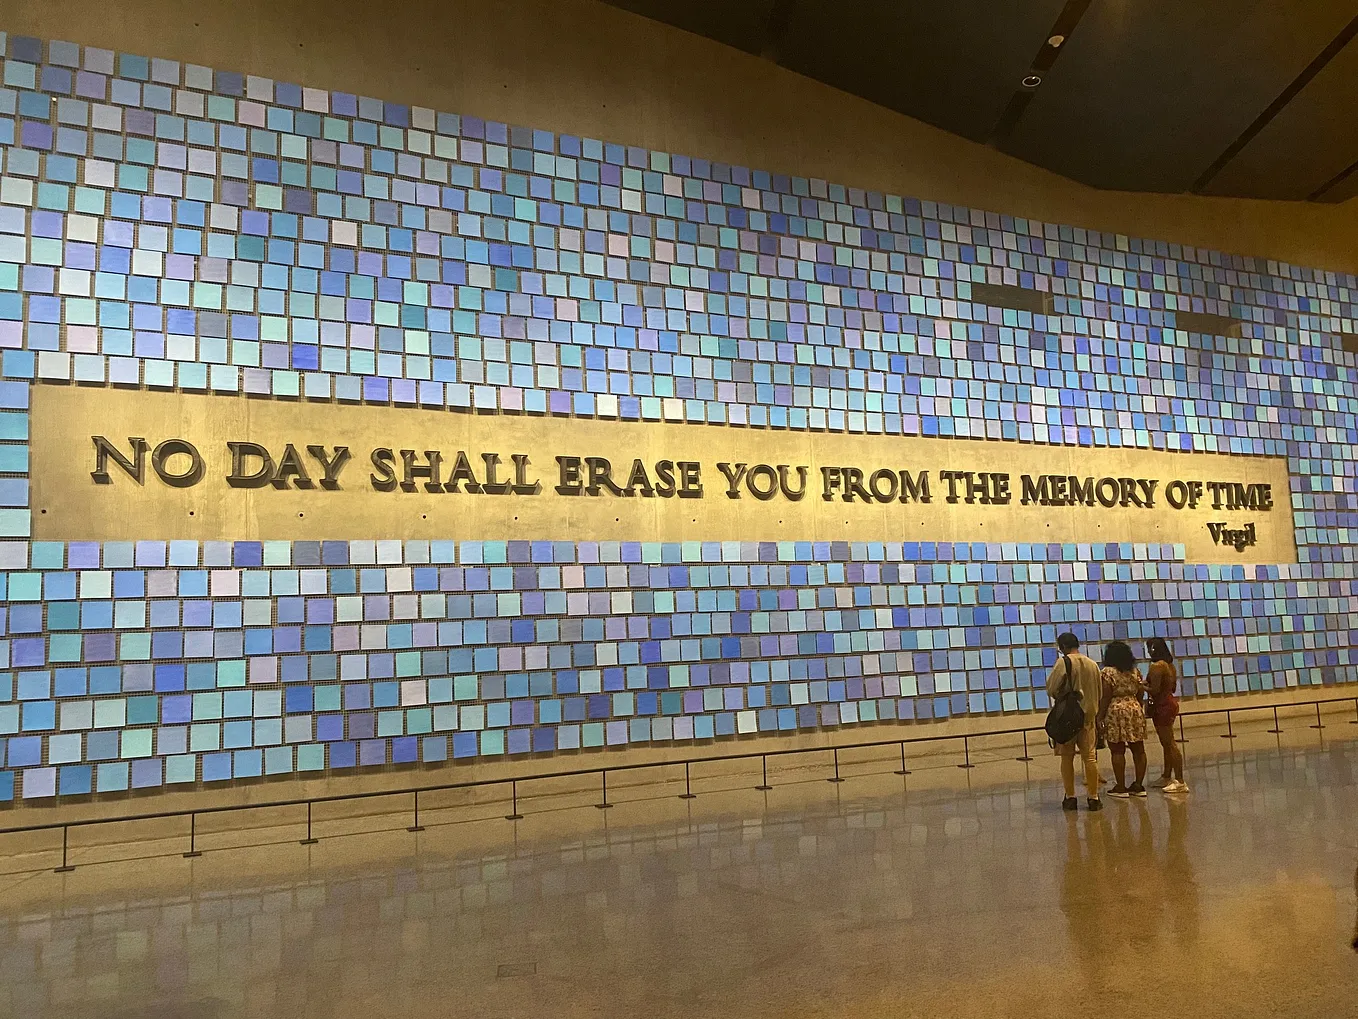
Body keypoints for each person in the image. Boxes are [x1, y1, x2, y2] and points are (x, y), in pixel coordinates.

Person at [1045, 632, 1103, 812]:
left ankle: (1070, 797)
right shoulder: (1093, 664)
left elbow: (1052, 688)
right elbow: (1099, 692)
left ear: (1062, 647)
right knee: (1090, 757)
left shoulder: (1063, 662)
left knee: (1067, 757)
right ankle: (1093, 797)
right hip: (1088, 718)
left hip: (1067, 718)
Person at [1099, 640, 1148, 798]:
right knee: (1138, 749)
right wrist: (1137, 706)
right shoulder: (1134, 671)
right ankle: (1139, 785)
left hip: (1115, 709)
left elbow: (1106, 695)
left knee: (1117, 749)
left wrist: (1099, 716)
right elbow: (1140, 691)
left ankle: (1121, 787)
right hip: (1134, 708)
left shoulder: (1107, 672)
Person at [1146, 636, 1188, 793]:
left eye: (1151, 648)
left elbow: (1154, 690)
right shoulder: (1170, 666)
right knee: (1166, 743)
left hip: (1162, 706)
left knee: (1169, 743)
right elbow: (1173, 687)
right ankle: (1167, 775)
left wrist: (1139, 685)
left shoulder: (1157, 666)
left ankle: (1179, 780)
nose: (1149, 651)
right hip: (1170, 703)